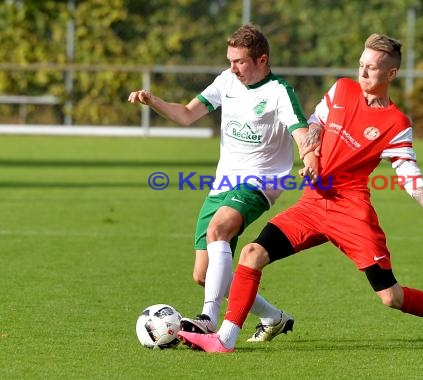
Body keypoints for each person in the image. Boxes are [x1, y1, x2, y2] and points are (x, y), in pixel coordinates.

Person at [177, 33, 423, 353]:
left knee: (390, 297)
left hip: (351, 210)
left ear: (391, 74)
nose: (363, 73)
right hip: (313, 203)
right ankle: (224, 339)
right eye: (361, 65)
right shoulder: (342, 89)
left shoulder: (396, 123)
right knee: (251, 254)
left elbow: (407, 172)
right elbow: (315, 124)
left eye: (372, 68)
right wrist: (311, 153)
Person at [128, 24, 316, 342]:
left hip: (262, 181)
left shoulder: (279, 92)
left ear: (262, 60)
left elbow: (301, 132)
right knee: (204, 275)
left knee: (218, 229)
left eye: (239, 61)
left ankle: (208, 319)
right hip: (223, 183)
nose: (232, 67)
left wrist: (309, 159)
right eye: (230, 60)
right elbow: (187, 114)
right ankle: (273, 317)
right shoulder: (226, 80)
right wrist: (154, 101)